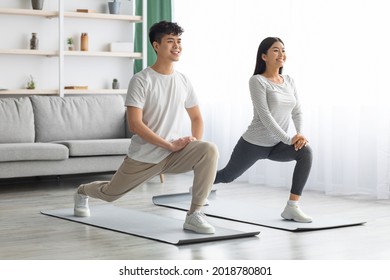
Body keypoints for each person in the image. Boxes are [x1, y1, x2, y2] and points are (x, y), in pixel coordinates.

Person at [73, 21, 219, 234]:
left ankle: (194, 214)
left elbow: (197, 118)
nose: (177, 46)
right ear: (156, 46)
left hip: (175, 153)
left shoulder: (183, 80)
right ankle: (83, 190)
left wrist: (193, 142)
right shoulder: (141, 80)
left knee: (209, 149)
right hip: (145, 156)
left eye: (179, 41)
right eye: (170, 41)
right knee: (111, 194)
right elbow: (135, 124)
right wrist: (169, 145)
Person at [214, 37, 313, 223]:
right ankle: (200, 185)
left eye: (283, 50)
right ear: (264, 56)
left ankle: (292, 207)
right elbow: (265, 116)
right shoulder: (257, 81)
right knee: (227, 176)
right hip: (254, 143)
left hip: (277, 145)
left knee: (306, 152)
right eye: (276, 50)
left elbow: (297, 110)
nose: (281, 54)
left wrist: (299, 134)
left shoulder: (289, 80)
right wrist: (288, 138)